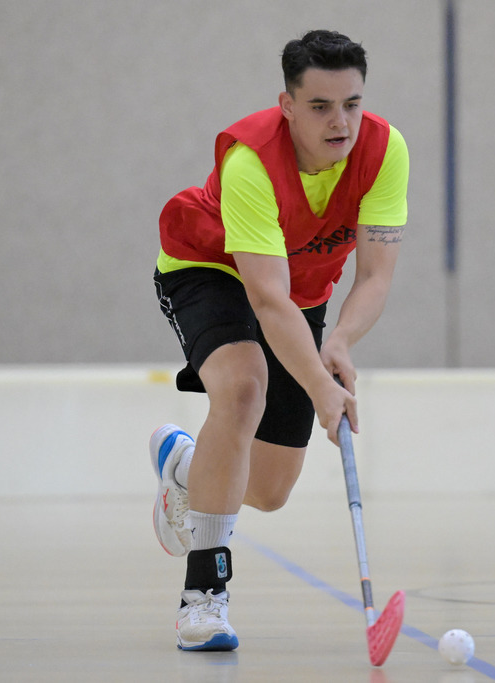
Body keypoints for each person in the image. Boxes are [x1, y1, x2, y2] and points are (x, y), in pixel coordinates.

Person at [149, 30, 409, 651]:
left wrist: (340, 342)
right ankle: (203, 598)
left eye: (352, 103)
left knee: (268, 490)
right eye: (320, 106)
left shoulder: (384, 151)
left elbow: (375, 275)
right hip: (207, 268)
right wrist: (320, 384)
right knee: (242, 390)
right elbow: (265, 297)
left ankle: (187, 466)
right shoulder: (251, 161)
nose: (340, 121)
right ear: (287, 105)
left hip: (302, 292)